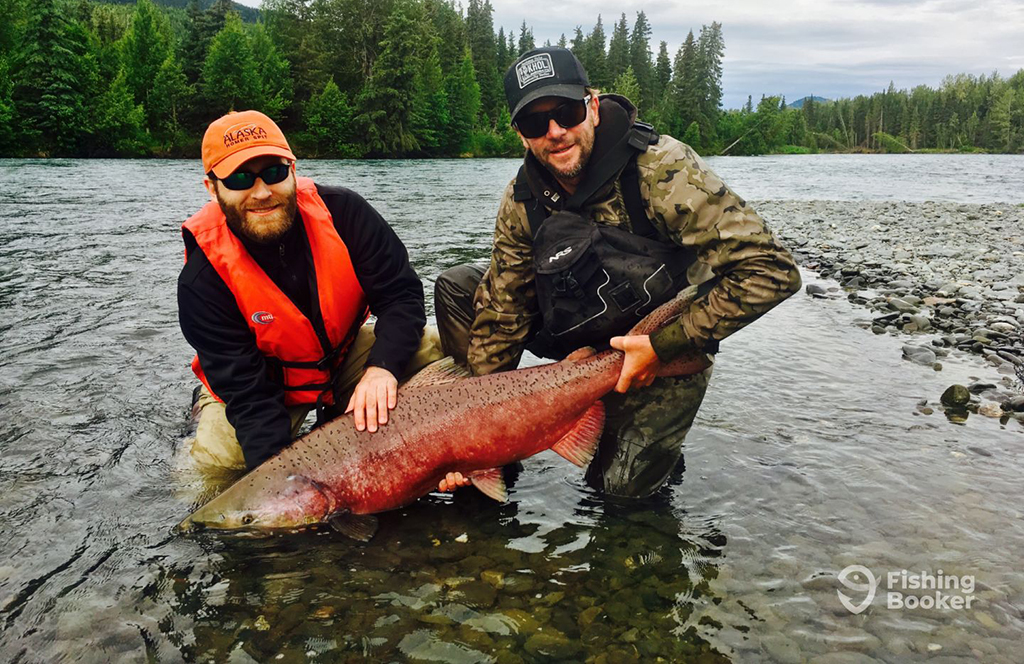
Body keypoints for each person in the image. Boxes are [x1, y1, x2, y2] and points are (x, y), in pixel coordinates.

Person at [435, 47, 801, 497]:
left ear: (591, 104)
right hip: (573, 329)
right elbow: (504, 314)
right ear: (520, 134)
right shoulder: (522, 199)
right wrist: (472, 442)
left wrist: (662, 345)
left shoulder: (662, 169)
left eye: (566, 112)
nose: (555, 133)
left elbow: (773, 269)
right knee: (459, 286)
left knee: (617, 494)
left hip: (661, 346)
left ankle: (651, 438)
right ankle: (497, 466)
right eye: (535, 123)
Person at [178, 110, 442, 472]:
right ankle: (204, 410)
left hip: (343, 358)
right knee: (217, 472)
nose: (262, 192)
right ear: (212, 188)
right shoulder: (202, 279)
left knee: (436, 349)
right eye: (240, 179)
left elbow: (401, 297)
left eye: (273, 172)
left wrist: (382, 369)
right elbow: (250, 399)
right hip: (261, 388)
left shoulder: (345, 213)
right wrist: (282, 483)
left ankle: (342, 414)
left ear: (292, 170)